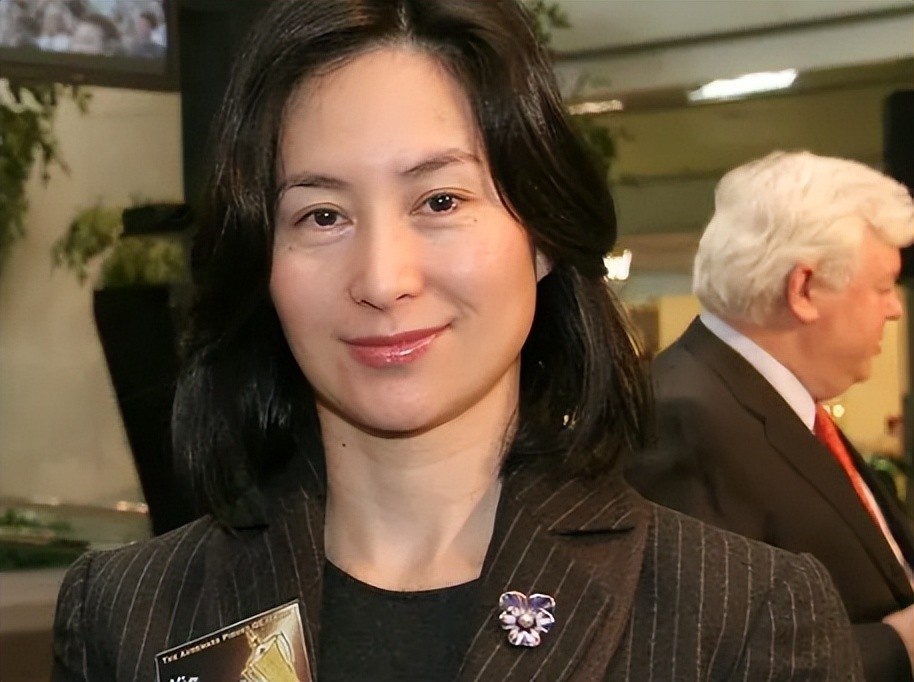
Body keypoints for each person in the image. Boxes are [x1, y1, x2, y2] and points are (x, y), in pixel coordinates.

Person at [51, 3, 863, 680]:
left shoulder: (741, 618)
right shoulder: (127, 614)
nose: (382, 278)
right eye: (322, 215)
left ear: (542, 236)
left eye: (439, 201)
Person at [626, 151, 914, 682]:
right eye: (881, 286)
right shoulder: (679, 418)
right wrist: (896, 648)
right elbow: (692, 655)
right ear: (803, 289)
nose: (894, 308)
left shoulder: (776, 399)